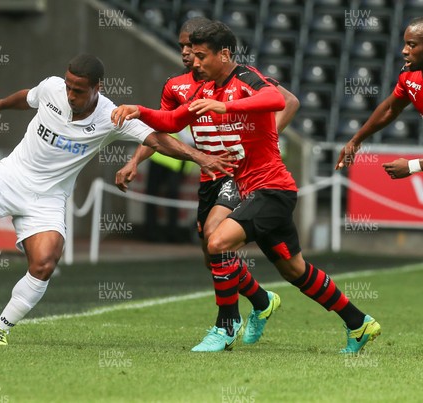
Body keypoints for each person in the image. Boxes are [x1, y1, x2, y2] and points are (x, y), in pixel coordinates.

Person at [0, 54, 235, 345]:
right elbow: (27, 96)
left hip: (48, 198)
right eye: (68, 85)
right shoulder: (52, 88)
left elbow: (158, 139)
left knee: (45, 263)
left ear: (97, 88)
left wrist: (199, 157)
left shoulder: (111, 116)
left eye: (79, 89)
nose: (70, 93)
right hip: (11, 177)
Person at [112, 21, 380, 354]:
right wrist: (140, 111)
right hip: (252, 190)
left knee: (218, 240)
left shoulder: (246, 79)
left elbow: (276, 99)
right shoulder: (204, 89)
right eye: (191, 55)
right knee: (294, 270)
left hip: (271, 189)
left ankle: (225, 326)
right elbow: (173, 121)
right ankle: (358, 323)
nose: (194, 62)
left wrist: (228, 106)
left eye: (200, 56)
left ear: (224, 54)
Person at [116, 17, 300, 349]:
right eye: (184, 47)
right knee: (210, 252)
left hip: (235, 171)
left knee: (217, 238)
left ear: (214, 51)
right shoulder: (178, 86)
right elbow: (165, 128)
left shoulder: (238, 77)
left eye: (194, 47)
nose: (188, 53)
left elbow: (286, 100)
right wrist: (133, 160)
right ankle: (260, 300)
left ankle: (225, 325)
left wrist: (262, 141)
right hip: (209, 177)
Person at [337, 17, 423, 180]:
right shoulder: (409, 76)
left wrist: (412, 166)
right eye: (405, 44)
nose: (404, 51)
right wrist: (355, 141)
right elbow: (391, 108)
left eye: (412, 45)